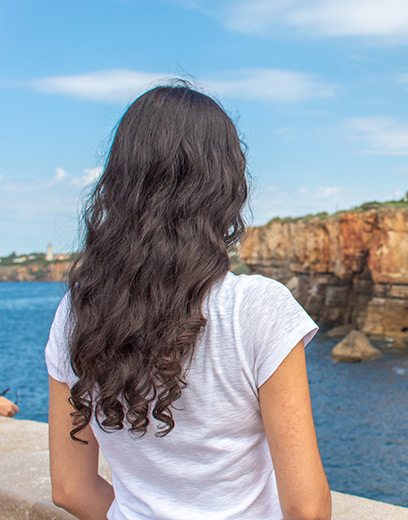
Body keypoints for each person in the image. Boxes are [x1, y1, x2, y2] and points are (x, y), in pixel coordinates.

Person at [45, 84, 331, 520]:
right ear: (226, 186)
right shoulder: (256, 307)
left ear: (120, 182)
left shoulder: (77, 311)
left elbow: (69, 488)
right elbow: (306, 509)